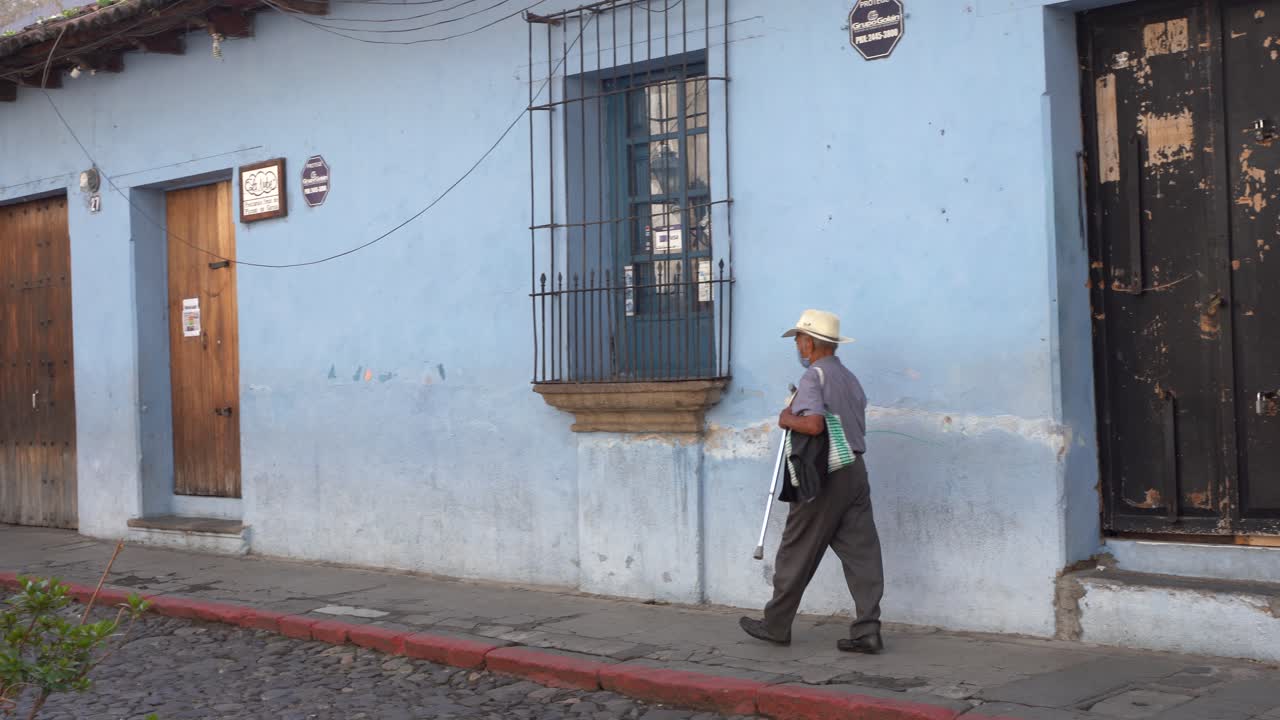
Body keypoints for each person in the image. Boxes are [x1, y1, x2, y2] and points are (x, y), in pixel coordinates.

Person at [739, 309, 885, 654]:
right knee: (861, 553)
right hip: (854, 469)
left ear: (811, 343)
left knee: (797, 547)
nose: (798, 347)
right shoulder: (849, 378)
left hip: (823, 473)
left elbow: (814, 425)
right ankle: (868, 629)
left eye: (799, 341)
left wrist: (786, 418)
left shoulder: (813, 377)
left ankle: (776, 625)